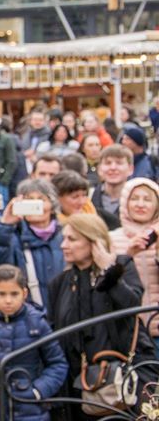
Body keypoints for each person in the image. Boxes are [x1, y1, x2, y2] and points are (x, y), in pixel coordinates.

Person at [47, 214, 158, 420]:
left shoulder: (122, 266)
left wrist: (109, 270)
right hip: (80, 385)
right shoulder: (60, 283)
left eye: (72, 239)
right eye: (64, 238)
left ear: (94, 241)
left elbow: (132, 304)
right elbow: (55, 331)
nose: (63, 245)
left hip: (124, 378)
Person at [0, 265, 67, 421]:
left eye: (14, 294)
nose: (8, 300)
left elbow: (57, 364)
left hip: (30, 408)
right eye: (2, 294)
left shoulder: (37, 323)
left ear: (24, 293)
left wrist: (38, 391)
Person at [0, 179, 64, 309]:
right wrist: (5, 225)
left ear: (52, 207)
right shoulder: (11, 237)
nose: (35, 205)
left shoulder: (66, 237)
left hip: (65, 315)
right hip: (29, 316)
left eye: (41, 199)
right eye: (29, 200)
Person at [109, 178, 159, 341]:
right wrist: (128, 253)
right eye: (134, 198)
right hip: (128, 330)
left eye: (147, 199)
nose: (140, 204)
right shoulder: (111, 239)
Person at [90, 145, 134, 229]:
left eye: (119, 163)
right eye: (108, 163)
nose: (113, 168)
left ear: (130, 169)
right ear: (99, 169)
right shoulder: (88, 197)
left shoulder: (138, 200)